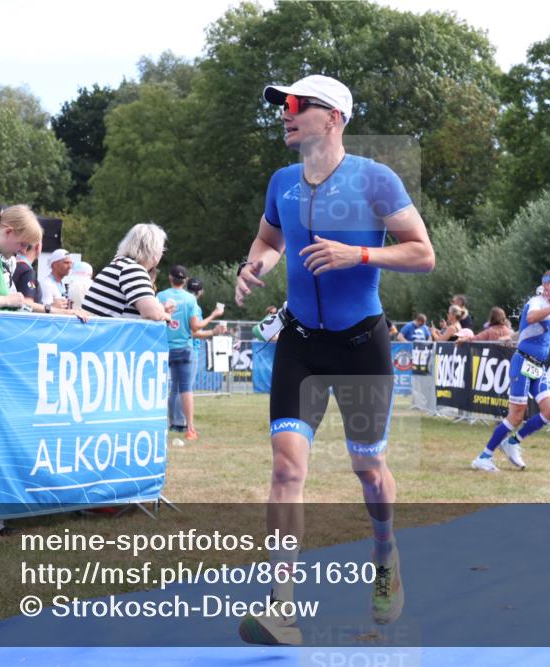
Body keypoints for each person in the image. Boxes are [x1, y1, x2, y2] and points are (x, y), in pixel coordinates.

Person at [234, 74, 435, 644]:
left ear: (333, 118)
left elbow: (423, 254)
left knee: (367, 470)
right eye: (283, 105)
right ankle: (283, 607)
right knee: (285, 468)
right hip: (301, 343)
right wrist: (257, 267)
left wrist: (360, 252)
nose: (285, 113)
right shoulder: (282, 182)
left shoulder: (375, 179)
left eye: (297, 105)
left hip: (360, 345)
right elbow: (270, 241)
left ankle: (385, 553)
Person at [470, 270, 550, 473]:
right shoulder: (536, 302)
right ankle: (483, 457)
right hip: (523, 362)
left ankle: (513, 442)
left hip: (538, 366)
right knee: (516, 415)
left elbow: (549, 338)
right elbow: (532, 318)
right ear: (549, 286)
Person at [157, 265, 224, 440]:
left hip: (165, 348)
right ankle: (190, 429)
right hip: (184, 348)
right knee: (186, 389)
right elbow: (195, 327)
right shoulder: (189, 300)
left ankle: (172, 424)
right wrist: (214, 317)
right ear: (185, 281)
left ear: (170, 278)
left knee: (172, 389)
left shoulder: (160, 296)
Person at [83, 223, 175, 321]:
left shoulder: (118, 264)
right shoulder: (132, 270)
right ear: (155, 254)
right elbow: (153, 314)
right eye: (162, 251)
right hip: (110, 335)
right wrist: (165, 316)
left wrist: (160, 309)